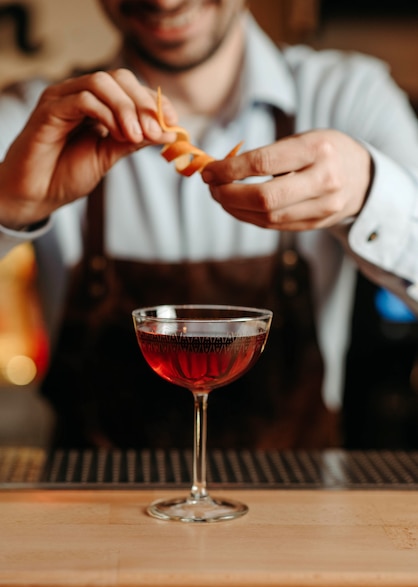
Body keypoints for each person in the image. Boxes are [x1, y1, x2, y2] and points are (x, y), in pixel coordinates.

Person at [0, 0, 417, 449]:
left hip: (297, 497)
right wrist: (10, 206)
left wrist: (371, 192)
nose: (164, 1)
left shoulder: (350, 96)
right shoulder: (33, 119)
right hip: (89, 500)